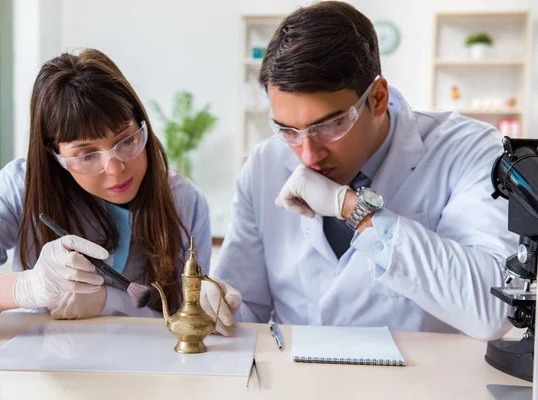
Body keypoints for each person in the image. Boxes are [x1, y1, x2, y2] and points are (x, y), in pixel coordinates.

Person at [213, 1, 518, 340]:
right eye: (288, 130)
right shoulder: (263, 165)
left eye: (329, 125)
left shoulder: (467, 150)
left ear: (377, 98)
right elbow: (245, 307)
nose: (308, 153)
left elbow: (494, 311)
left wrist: (351, 208)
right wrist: (216, 306)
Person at [0, 49, 238, 338]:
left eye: (126, 140)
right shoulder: (21, 187)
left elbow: (179, 313)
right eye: (86, 155)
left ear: (141, 123)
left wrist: (110, 301)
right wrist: (26, 287)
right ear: (53, 154)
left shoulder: (183, 201)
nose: (115, 169)